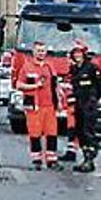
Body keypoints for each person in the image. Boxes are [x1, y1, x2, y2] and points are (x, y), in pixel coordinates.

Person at [16, 41, 60, 171]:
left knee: (52, 133)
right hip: (34, 106)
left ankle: (51, 160)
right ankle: (37, 159)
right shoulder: (27, 67)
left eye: (43, 50)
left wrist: (59, 100)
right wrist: (35, 86)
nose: (41, 53)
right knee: (35, 133)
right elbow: (19, 85)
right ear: (33, 52)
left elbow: (55, 85)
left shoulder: (50, 67)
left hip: (50, 106)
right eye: (38, 50)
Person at [69, 42, 101, 173]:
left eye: (79, 53)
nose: (77, 55)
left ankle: (90, 159)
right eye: (75, 53)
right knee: (79, 131)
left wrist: (93, 99)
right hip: (78, 104)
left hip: (88, 104)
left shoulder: (92, 68)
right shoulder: (74, 69)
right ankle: (85, 158)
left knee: (88, 131)